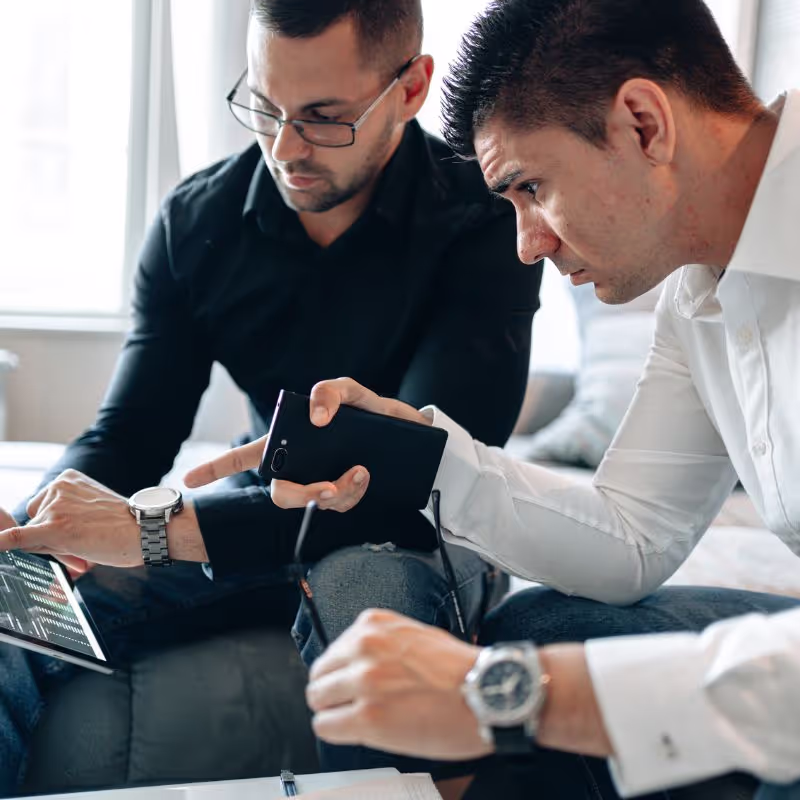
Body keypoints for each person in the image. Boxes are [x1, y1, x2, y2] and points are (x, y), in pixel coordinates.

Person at [184, 0, 800, 797]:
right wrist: (414, 454)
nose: (527, 244)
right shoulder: (695, 297)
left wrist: (525, 699)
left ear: (643, 124)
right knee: (536, 633)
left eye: (532, 187)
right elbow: (633, 538)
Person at [0, 0, 541, 793]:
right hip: (244, 525)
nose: (284, 148)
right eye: (264, 106)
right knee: (12, 587)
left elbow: (417, 483)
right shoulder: (197, 221)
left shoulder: (490, 217)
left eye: (323, 117)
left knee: (363, 584)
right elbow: (130, 436)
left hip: (423, 532)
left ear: (411, 89)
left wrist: (157, 532)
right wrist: (35, 521)